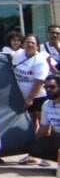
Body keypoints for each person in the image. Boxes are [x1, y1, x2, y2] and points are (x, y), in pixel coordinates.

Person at [13, 34, 51, 166]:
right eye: (27, 42)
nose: (29, 45)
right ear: (23, 44)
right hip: (23, 96)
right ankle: (33, 155)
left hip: (39, 97)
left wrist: (30, 99)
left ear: (37, 46)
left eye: (33, 43)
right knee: (31, 126)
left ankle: (47, 156)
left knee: (44, 127)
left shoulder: (40, 60)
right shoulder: (18, 54)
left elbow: (39, 81)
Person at [29, 74, 60, 167]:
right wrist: (37, 145)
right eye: (46, 87)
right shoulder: (46, 104)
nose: (48, 90)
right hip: (57, 136)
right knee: (36, 149)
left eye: (52, 87)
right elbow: (43, 128)